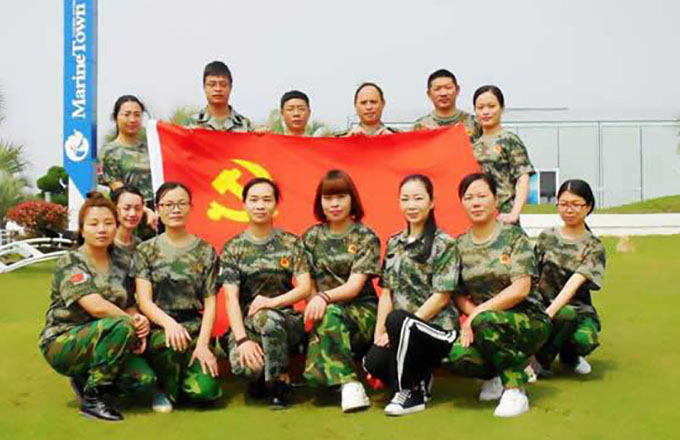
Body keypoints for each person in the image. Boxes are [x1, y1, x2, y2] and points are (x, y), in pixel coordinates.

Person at [39, 192, 156, 422]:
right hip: (64, 341)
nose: (102, 229)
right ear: (82, 230)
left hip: (108, 338)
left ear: (116, 226)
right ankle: (93, 399)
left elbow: (128, 303)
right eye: (93, 224)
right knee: (121, 325)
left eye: (108, 223)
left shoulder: (122, 260)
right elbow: (96, 306)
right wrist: (131, 323)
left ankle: (85, 378)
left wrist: (139, 319)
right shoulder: (71, 261)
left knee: (144, 379)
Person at [446, 173, 551, 417]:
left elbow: (521, 288)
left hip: (529, 319)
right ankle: (493, 376)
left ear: (495, 200)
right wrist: (476, 316)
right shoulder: (459, 245)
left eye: (482, 196)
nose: (476, 203)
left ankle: (515, 389)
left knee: (486, 322)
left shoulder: (514, 237)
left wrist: (478, 315)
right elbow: (457, 294)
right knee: (457, 357)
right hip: (485, 323)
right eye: (469, 198)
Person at [363, 175, 460, 416]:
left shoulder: (444, 243)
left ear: (431, 202)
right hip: (400, 329)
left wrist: (402, 326)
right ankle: (421, 377)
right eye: (405, 199)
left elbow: (442, 296)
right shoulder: (394, 243)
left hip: (437, 330)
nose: (411, 205)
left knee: (398, 320)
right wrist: (379, 337)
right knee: (372, 360)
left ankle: (410, 393)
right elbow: (387, 293)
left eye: (418, 198)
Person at [220, 178, 311, 408]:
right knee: (246, 367)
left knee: (267, 317)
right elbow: (230, 299)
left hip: (285, 321)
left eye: (266, 200)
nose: (260, 205)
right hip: (248, 325)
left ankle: (279, 384)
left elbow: (304, 287)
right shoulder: (233, 248)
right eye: (254, 200)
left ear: (275, 205)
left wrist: (272, 302)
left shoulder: (290, 242)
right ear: (244, 204)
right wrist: (242, 340)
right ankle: (260, 377)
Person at [134, 182, 222, 411]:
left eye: (181, 203)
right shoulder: (146, 250)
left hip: (193, 327)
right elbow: (144, 300)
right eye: (168, 204)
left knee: (206, 392)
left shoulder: (205, 251)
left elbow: (211, 302)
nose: (175, 209)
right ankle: (162, 388)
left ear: (190, 207)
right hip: (160, 328)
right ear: (158, 209)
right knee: (170, 342)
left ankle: (183, 377)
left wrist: (203, 344)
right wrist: (169, 324)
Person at [302, 170, 381, 412]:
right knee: (326, 316)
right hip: (324, 310)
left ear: (352, 199)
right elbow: (307, 283)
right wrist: (314, 304)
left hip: (362, 313)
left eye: (341, 197)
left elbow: (354, 287)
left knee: (330, 313)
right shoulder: (311, 237)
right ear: (320, 202)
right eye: (328, 198)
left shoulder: (365, 236)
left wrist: (323, 298)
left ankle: (350, 384)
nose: (334, 204)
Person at [534, 180, 606, 376]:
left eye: (576, 204)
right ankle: (540, 362)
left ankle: (570, 356)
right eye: (563, 204)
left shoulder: (593, 246)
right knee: (562, 316)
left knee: (584, 338)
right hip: (542, 306)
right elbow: (532, 274)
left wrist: (549, 314)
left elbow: (574, 283)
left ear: (588, 207)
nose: (569, 210)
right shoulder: (546, 237)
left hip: (577, 311)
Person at [471, 85, 535, 224]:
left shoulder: (509, 139)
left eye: (491, 106)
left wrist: (514, 213)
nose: (486, 112)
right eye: (480, 107)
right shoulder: (473, 145)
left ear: (502, 108)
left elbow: (522, 178)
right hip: (480, 216)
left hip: (504, 215)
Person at [99, 95, 157, 230]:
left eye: (137, 115)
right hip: (130, 216)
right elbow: (119, 191)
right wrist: (143, 210)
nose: (132, 119)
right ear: (116, 117)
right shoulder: (110, 151)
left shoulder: (150, 148)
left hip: (156, 214)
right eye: (127, 114)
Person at [180, 60, 252, 132]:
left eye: (223, 85)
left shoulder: (247, 126)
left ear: (230, 87)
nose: (218, 89)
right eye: (212, 85)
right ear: (204, 87)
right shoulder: (190, 125)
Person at [413, 69, 482, 141]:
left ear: (457, 90)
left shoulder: (474, 123)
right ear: (429, 94)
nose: (443, 93)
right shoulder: (420, 126)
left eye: (448, 87)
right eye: (437, 89)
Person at [265, 90, 331, 136]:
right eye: (290, 109)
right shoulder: (272, 144)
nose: (296, 114)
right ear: (282, 113)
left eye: (301, 109)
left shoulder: (319, 145)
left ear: (309, 113)